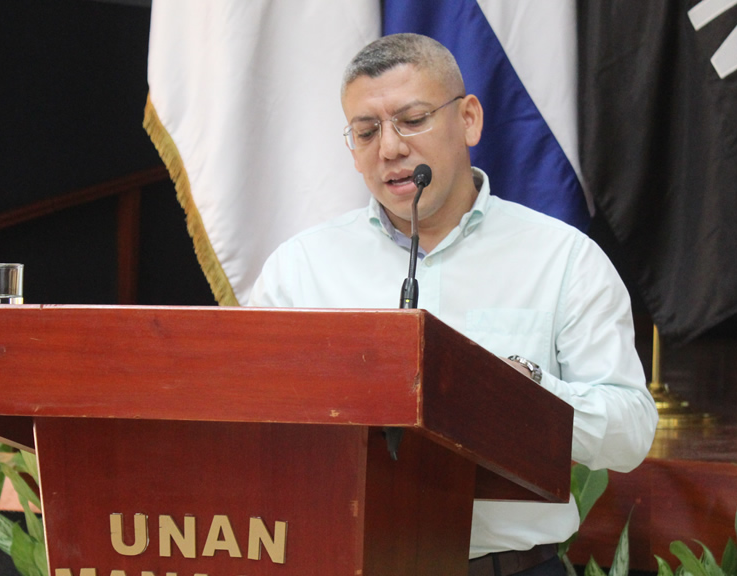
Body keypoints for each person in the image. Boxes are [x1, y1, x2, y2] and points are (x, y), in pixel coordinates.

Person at [249, 33, 657, 576]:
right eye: (365, 132)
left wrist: (528, 395)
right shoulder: (300, 268)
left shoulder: (562, 258)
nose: (390, 148)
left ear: (468, 120)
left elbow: (630, 433)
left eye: (412, 120)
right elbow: (252, 424)